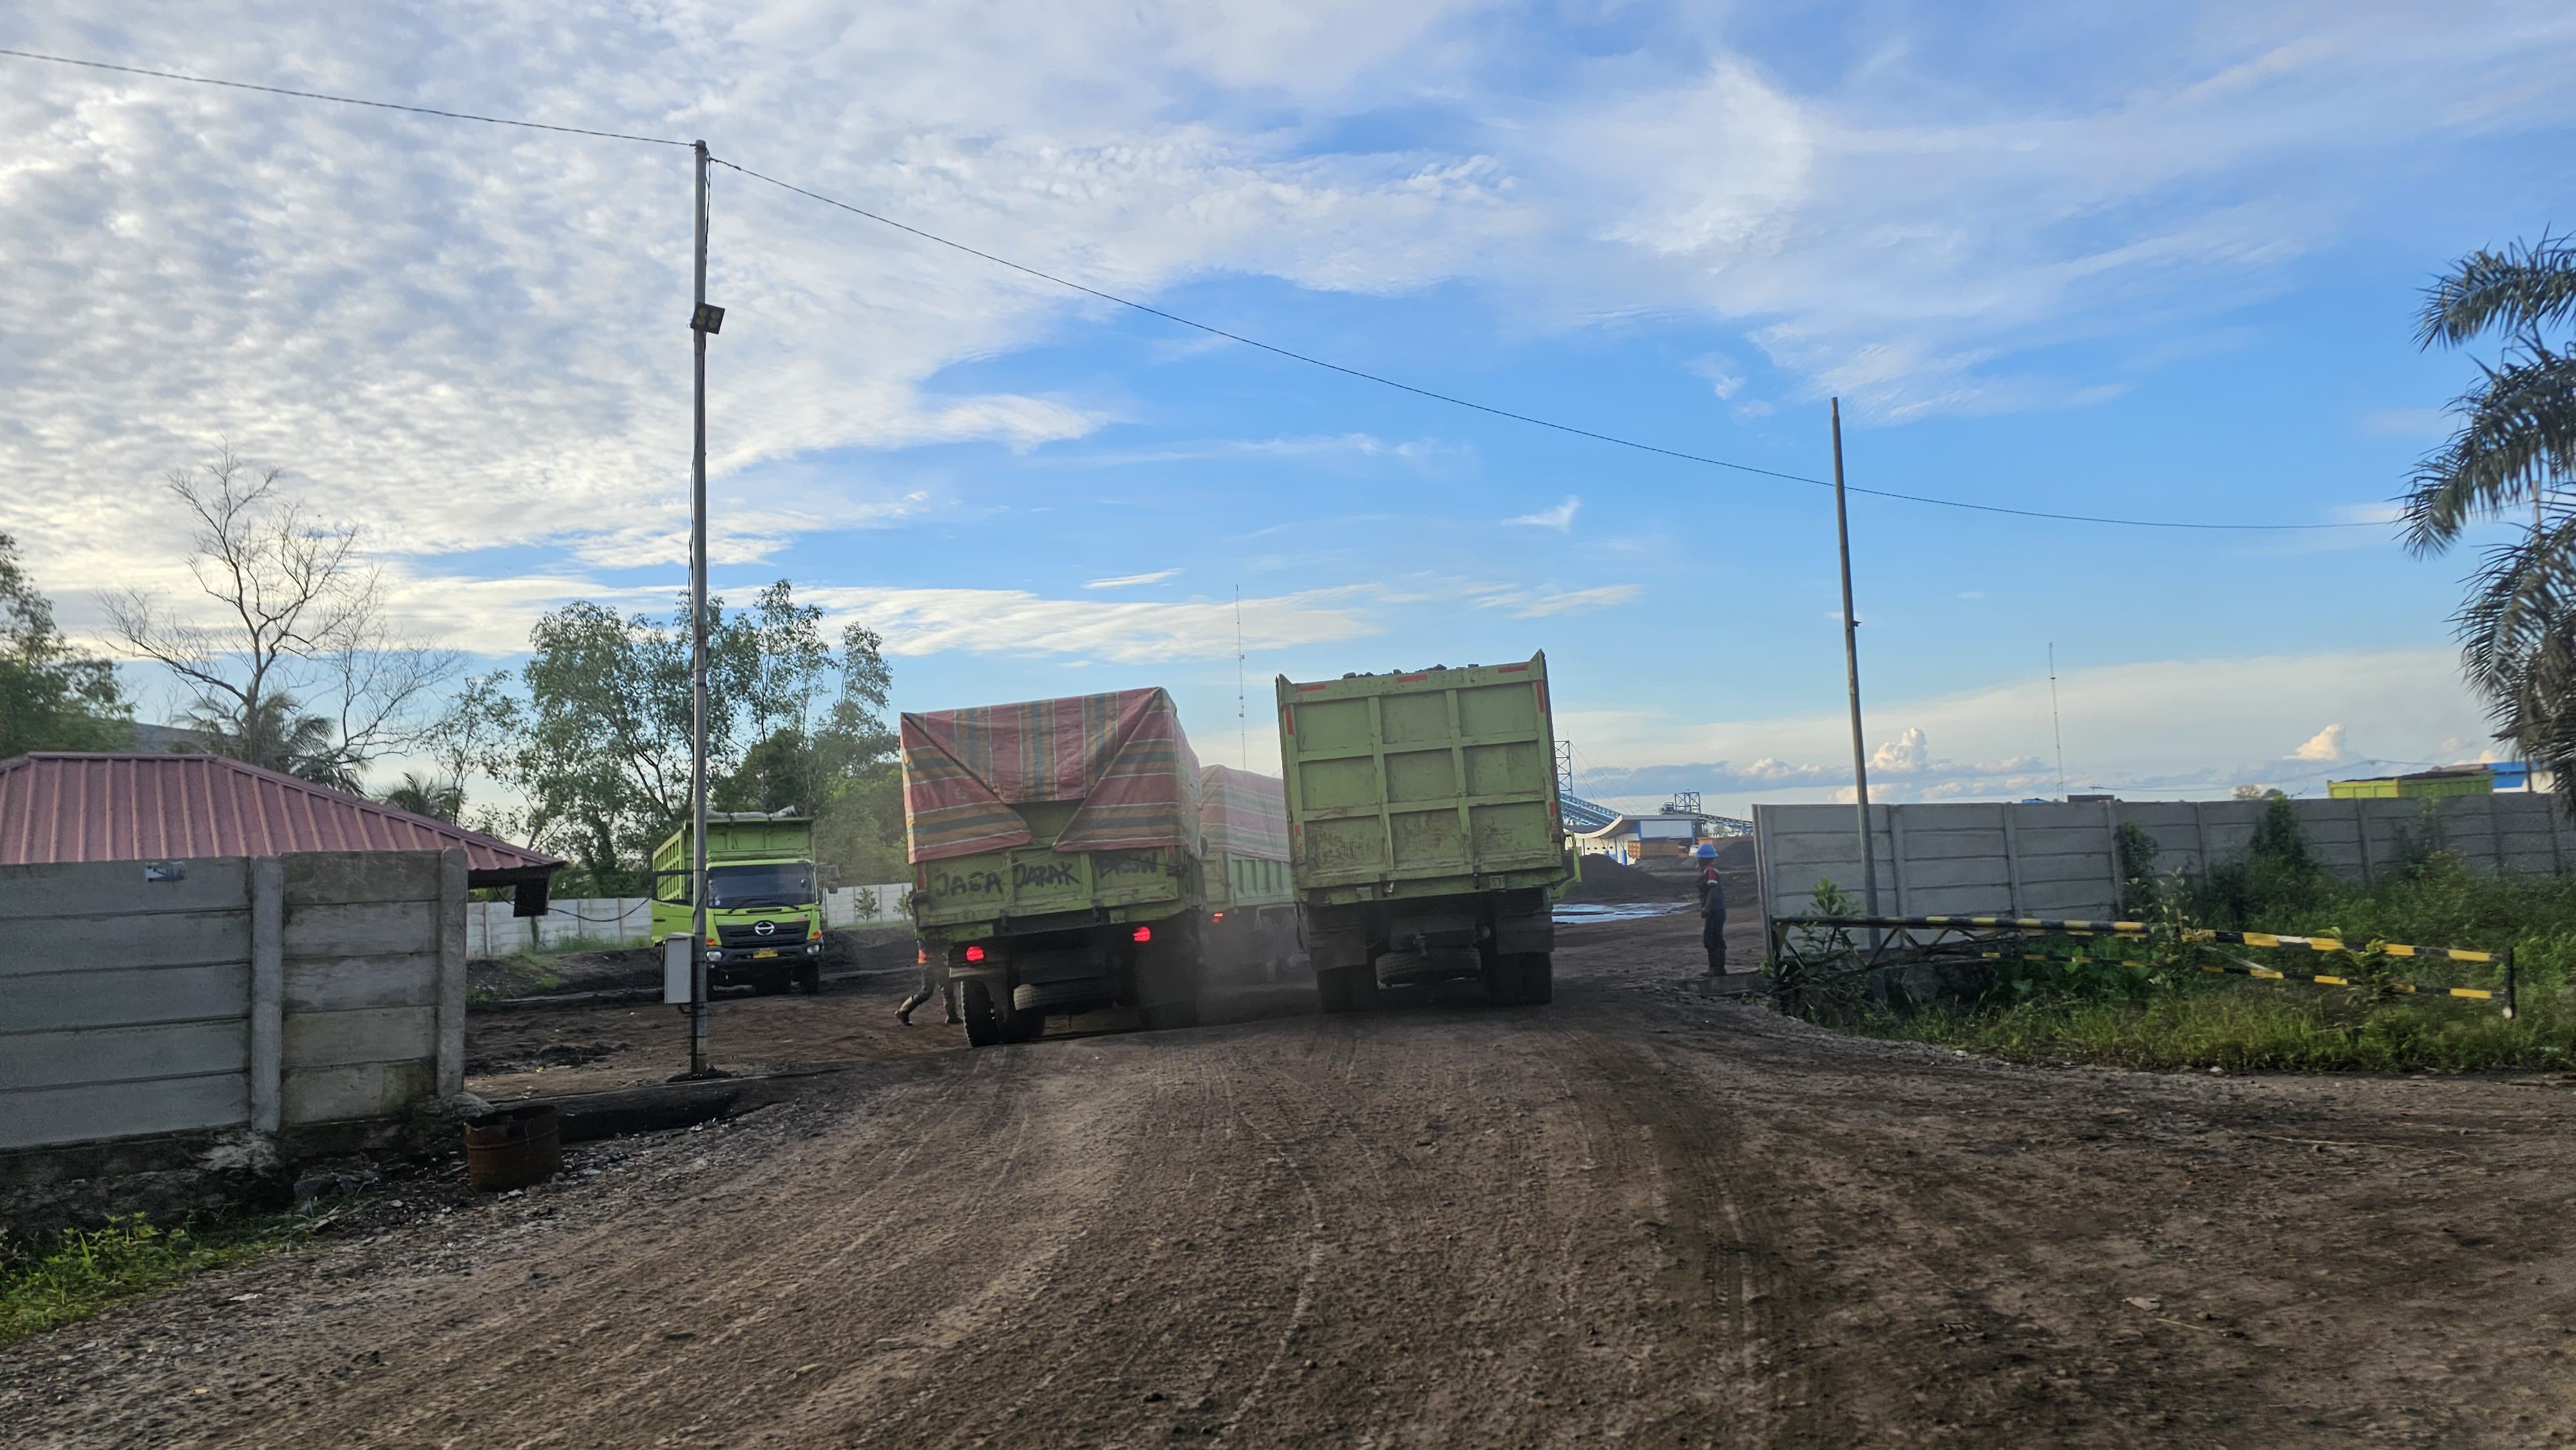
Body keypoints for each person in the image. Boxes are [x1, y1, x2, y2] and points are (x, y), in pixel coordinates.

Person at [896, 943, 958, 1025]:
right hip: (928, 963)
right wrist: (944, 949)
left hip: (938, 963)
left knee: (948, 988)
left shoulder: (931, 936)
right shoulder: (925, 937)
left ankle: (952, 1016)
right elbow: (926, 949)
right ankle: (903, 1011)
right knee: (927, 992)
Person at [1700, 863, 1728, 974]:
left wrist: (1707, 907)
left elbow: (1713, 891)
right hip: (1718, 910)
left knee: (1711, 938)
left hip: (1715, 910)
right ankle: (1720, 969)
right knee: (1716, 937)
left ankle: (1715, 968)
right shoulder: (1712, 870)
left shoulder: (1710, 871)